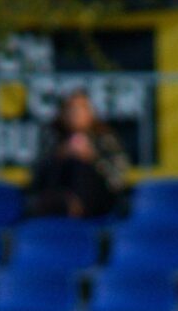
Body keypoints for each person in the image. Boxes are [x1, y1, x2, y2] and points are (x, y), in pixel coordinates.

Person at [26, 89, 128, 220]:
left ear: (91, 112)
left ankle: (74, 205)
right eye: (71, 109)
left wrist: (94, 159)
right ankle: (62, 204)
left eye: (81, 109)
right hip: (55, 197)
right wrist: (59, 155)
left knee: (81, 166)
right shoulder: (52, 137)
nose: (75, 114)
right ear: (62, 113)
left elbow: (117, 180)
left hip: (97, 202)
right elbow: (35, 176)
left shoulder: (106, 138)